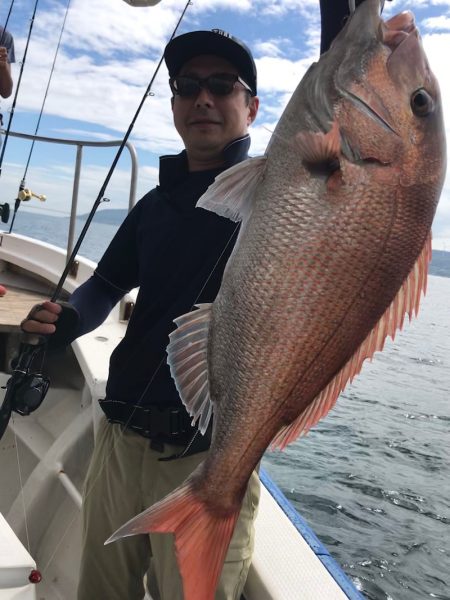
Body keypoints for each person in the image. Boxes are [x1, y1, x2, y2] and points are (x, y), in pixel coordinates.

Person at [20, 2, 385, 598]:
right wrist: (68, 321)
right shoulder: (154, 207)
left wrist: (348, 19)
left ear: (254, 108)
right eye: (187, 87)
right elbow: (106, 287)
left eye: (222, 86)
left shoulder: (283, 192)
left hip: (204, 456)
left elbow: (344, 90)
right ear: (173, 105)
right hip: (119, 440)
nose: (203, 99)